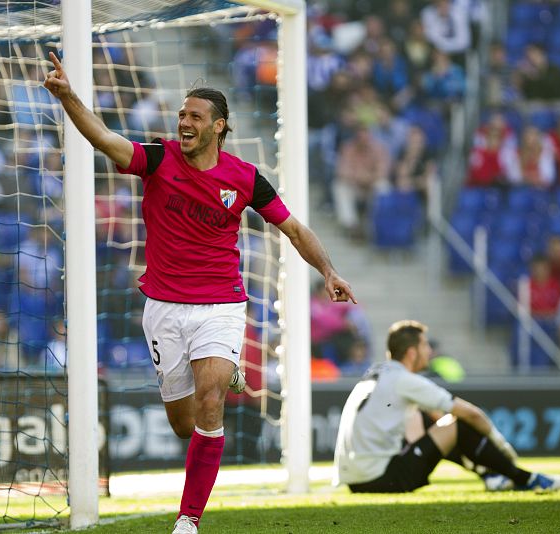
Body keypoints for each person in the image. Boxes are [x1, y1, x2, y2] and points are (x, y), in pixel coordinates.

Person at [43, 52, 355, 534]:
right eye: (182, 115)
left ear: (219, 126)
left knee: (211, 400)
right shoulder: (158, 158)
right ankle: (222, 374)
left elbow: (293, 228)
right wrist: (68, 98)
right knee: (184, 424)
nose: (184, 123)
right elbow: (104, 139)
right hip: (164, 309)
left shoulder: (245, 178)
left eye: (195, 116)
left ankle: (188, 519)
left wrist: (329, 271)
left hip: (221, 306)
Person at [333, 320, 560, 494]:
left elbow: (430, 424)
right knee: (457, 424)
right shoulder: (404, 380)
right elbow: (472, 414)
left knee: (435, 421)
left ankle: (490, 474)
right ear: (412, 352)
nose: (430, 351)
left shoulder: (376, 372)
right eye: (425, 345)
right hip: (383, 479)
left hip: (357, 480)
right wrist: (501, 446)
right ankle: (525, 478)